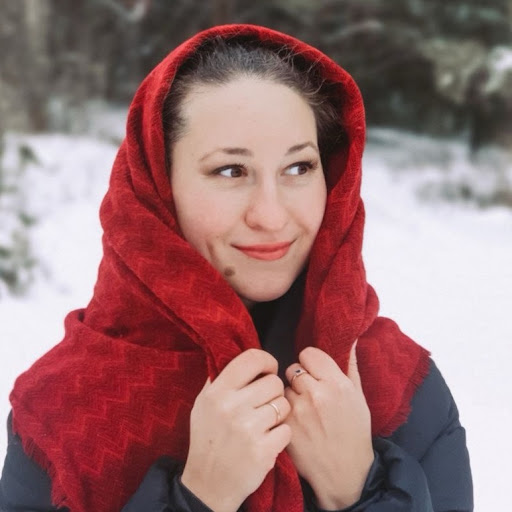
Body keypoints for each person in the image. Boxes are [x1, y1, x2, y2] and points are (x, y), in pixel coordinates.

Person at [0, 24, 473, 512]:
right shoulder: (63, 409)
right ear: (158, 186)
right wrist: (200, 496)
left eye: (299, 168)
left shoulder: (401, 388)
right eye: (230, 171)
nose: (271, 216)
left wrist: (358, 486)